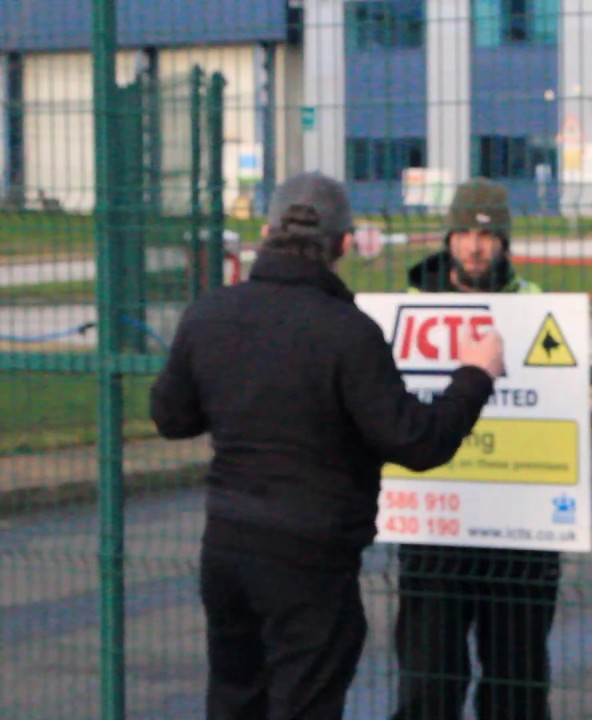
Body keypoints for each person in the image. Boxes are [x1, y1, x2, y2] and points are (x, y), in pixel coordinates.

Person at [149, 171, 506, 720]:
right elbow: (416, 440)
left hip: (227, 547)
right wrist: (475, 375)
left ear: (266, 232)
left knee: (234, 697)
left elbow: (171, 417)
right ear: (342, 245)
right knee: (306, 701)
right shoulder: (347, 333)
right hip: (311, 556)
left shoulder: (210, 314)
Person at [392, 178, 559, 720]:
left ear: (505, 242)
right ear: (449, 237)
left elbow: (556, 399)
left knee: (517, 681)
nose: (475, 246)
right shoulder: (410, 308)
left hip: (519, 530)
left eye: (487, 236)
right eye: (464, 232)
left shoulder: (534, 307)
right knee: (429, 679)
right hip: (436, 523)